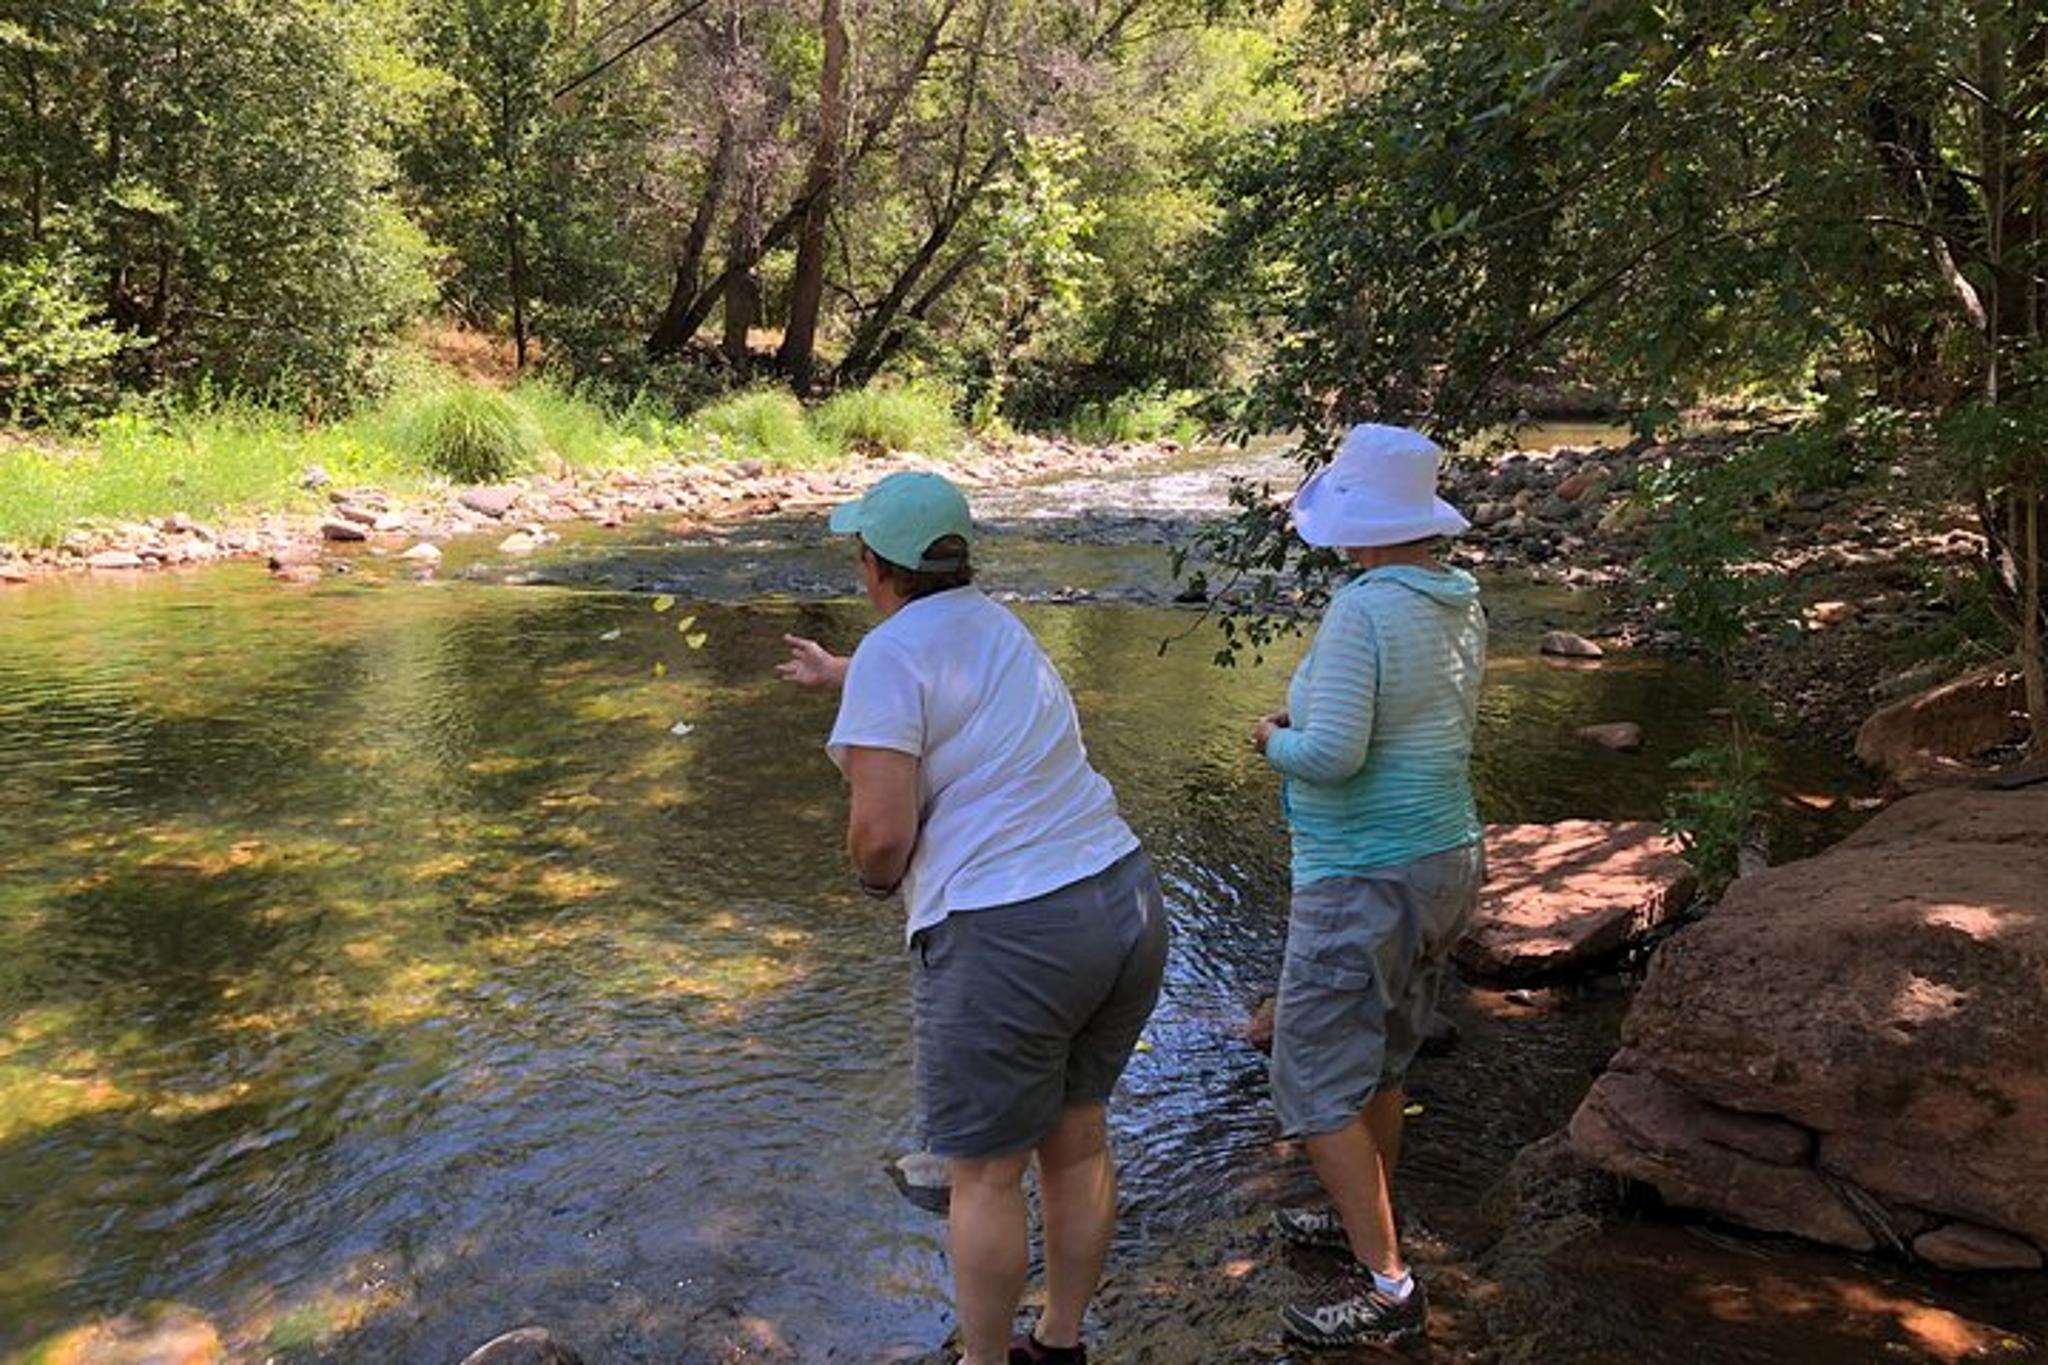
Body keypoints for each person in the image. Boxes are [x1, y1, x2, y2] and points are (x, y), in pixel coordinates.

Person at [778, 470, 1168, 1365]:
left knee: (984, 1175)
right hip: (1124, 900)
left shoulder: (893, 654)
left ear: (874, 565)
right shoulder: (999, 624)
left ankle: (983, 1360)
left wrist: (875, 884)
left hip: (1012, 932)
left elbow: (882, 838)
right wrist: (842, 674)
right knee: (1077, 1141)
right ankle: (1059, 1343)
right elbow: (946, 683)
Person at [1248, 424, 1487, 1350]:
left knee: (1310, 1078)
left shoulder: (1362, 609)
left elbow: (1334, 758)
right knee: (1383, 1059)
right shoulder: (1455, 598)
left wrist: (1275, 740)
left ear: (1361, 523)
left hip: (1364, 873)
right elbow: (1411, 723)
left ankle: (1389, 1286)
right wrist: (1306, 723)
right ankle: (1364, 1216)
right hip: (1444, 859)